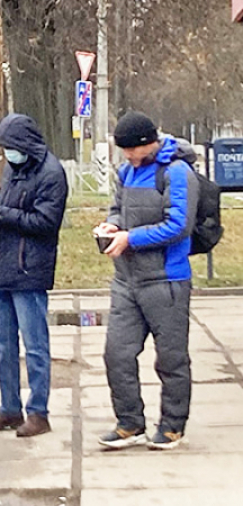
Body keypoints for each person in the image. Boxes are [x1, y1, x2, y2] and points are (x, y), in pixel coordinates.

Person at [96, 111, 198, 451]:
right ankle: (129, 423)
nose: (127, 157)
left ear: (148, 143)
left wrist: (130, 238)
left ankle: (172, 425)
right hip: (127, 281)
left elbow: (178, 226)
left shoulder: (176, 173)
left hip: (166, 281)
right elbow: (117, 209)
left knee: (171, 359)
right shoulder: (127, 172)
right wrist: (112, 226)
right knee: (117, 354)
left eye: (131, 150)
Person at [0, 114, 68, 438]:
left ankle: (38, 413)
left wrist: (2, 214)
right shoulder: (14, 169)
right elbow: (4, 202)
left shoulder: (51, 173)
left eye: (10, 147)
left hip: (30, 271)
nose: (6, 154)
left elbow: (45, 222)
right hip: (6, 268)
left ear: (25, 144)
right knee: (3, 342)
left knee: (35, 346)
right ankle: (9, 408)